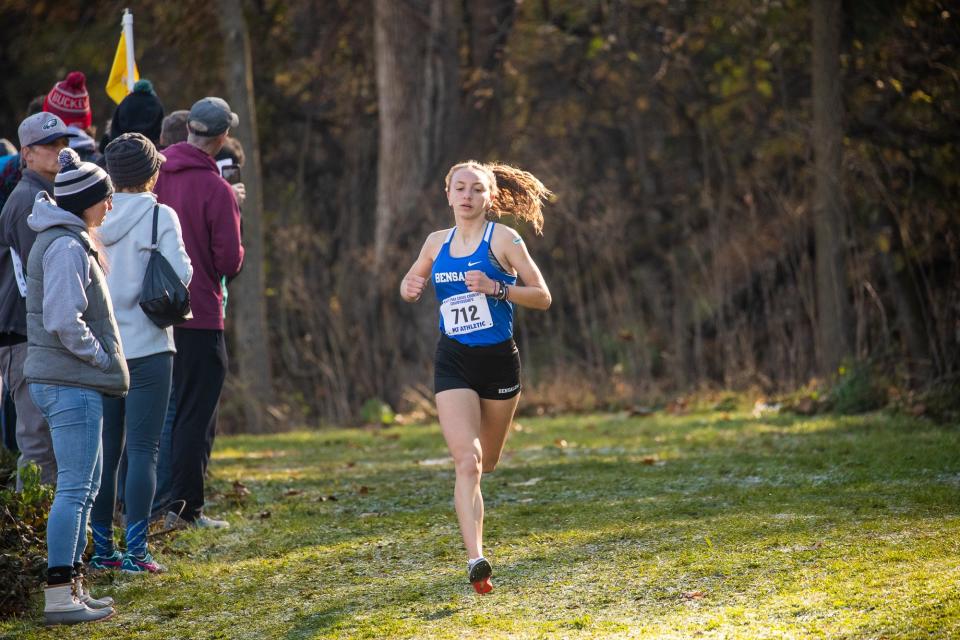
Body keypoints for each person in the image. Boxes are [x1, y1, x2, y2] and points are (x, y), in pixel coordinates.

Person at [400, 160, 552, 594]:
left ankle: (476, 540)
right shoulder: (435, 242)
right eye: (460, 188)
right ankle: (476, 559)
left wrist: (497, 288)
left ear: (490, 197)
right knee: (468, 461)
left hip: (500, 362)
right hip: (454, 360)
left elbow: (542, 296)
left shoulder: (503, 239)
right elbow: (412, 279)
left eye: (477, 190)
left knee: (490, 460)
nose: (467, 196)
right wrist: (409, 286)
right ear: (447, 194)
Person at [25, 147, 128, 624]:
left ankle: (75, 586)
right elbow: (64, 319)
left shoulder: (71, 239)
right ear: (85, 199)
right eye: (104, 197)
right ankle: (59, 593)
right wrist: (101, 356)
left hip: (73, 381)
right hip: (70, 382)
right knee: (74, 489)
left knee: (85, 488)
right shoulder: (66, 246)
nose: (110, 205)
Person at [87, 133, 191, 573]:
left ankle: (102, 549)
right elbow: (182, 272)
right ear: (153, 173)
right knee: (144, 451)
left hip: (103, 349)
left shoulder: (90, 218)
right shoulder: (160, 216)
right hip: (150, 346)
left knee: (104, 454)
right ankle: (137, 551)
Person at [154, 97, 244, 529]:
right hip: (200, 311)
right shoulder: (217, 189)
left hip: (148, 313)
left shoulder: (150, 176)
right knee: (195, 411)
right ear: (222, 137)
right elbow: (230, 261)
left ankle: (154, 505)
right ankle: (186, 509)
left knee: (160, 410)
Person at [0, 112, 76, 488]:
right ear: (26, 154)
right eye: (49, 145)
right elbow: (41, 278)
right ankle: (27, 534)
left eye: (63, 143)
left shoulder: (47, 194)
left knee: (47, 440)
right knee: (36, 443)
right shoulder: (28, 199)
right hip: (22, 334)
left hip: (36, 332)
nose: (59, 151)